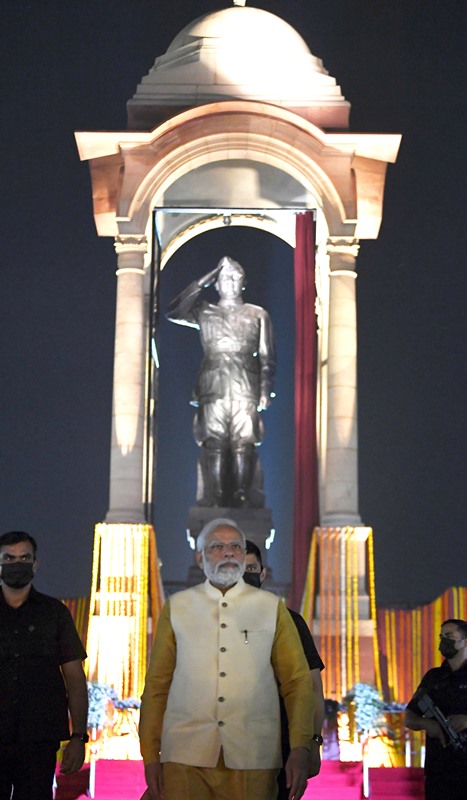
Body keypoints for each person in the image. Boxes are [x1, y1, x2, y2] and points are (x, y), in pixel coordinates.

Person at [139, 518, 314, 800]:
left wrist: (301, 747)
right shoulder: (178, 607)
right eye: (217, 547)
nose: (228, 553)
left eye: (235, 546)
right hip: (185, 755)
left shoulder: (271, 609)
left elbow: (297, 682)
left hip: (254, 756)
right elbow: (157, 686)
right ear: (199, 558)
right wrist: (150, 756)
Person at [167, 256, 276, 508]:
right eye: (224, 277)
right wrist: (203, 280)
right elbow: (174, 310)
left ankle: (241, 494)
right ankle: (214, 496)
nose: (230, 281)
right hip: (212, 384)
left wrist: (265, 388)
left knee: (243, 443)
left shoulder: (258, 314)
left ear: (244, 283)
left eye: (236, 276)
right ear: (216, 283)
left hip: (245, 384)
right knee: (213, 442)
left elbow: (268, 355)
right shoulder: (204, 311)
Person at [0, 530, 89, 800]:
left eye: (24, 558)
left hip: (39, 739)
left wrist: (79, 737)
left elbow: (75, 678)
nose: (17, 564)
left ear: (35, 563)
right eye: (9, 558)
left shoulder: (55, 614)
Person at [244, 540, 325, 799]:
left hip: (279, 748)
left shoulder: (290, 621)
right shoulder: (208, 622)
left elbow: (312, 686)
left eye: (252, 567)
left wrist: (312, 742)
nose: (247, 574)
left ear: (263, 573)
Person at [405, 618, 467, 800]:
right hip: (439, 769)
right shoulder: (433, 678)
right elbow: (410, 716)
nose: (443, 640)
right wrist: (427, 724)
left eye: (449, 636)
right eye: (441, 636)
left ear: (466, 641)